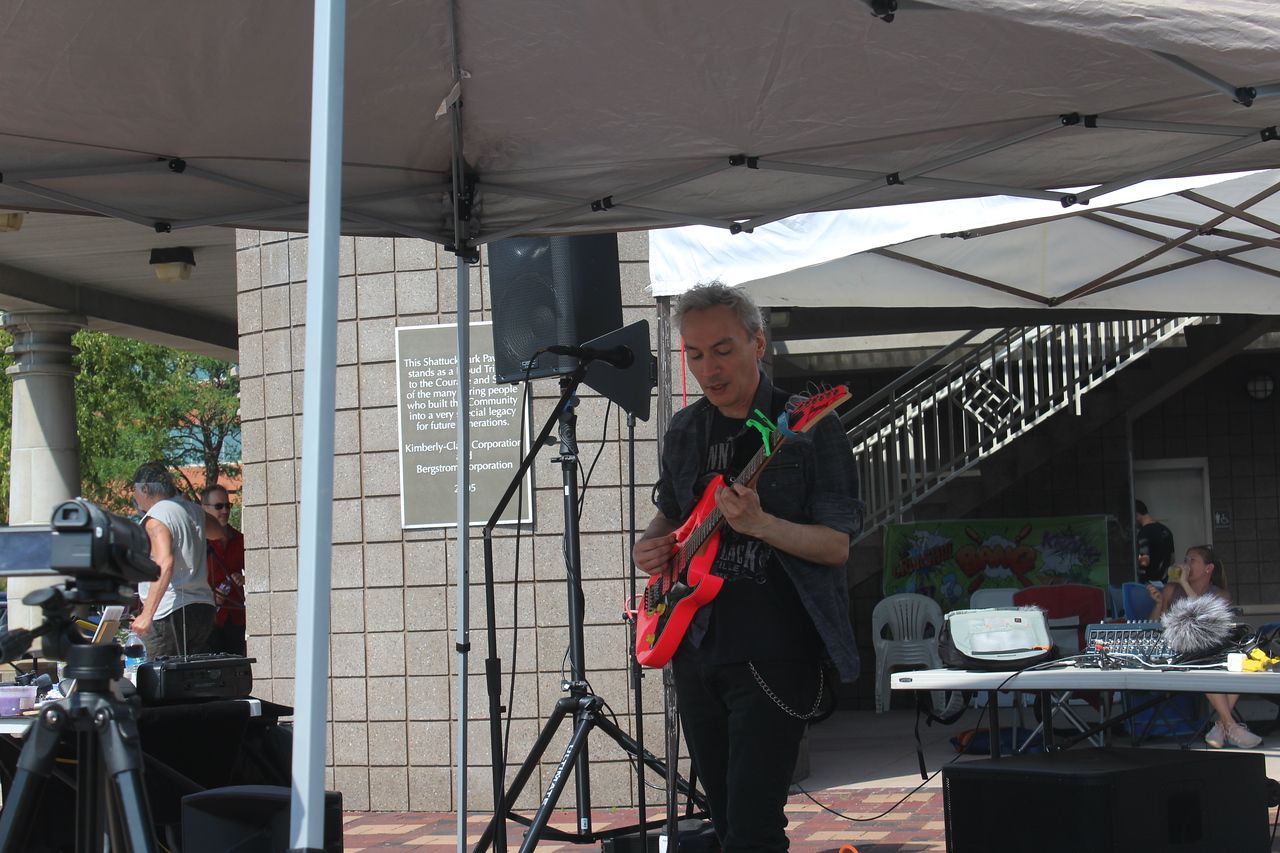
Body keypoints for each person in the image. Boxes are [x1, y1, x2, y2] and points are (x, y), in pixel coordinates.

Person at [633, 282, 861, 851]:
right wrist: (650, 547)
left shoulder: (809, 426)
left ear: (758, 344)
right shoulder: (686, 430)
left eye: (723, 350)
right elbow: (671, 516)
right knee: (727, 821)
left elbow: (837, 546)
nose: (708, 369)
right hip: (694, 645)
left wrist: (762, 525)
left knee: (755, 827)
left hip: (774, 648)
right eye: (694, 354)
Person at [1148, 545, 1260, 749]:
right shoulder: (1171, 590)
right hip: (1178, 651)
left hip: (1210, 650)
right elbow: (1153, 626)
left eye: (1192, 561)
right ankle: (1230, 727)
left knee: (1239, 660)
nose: (1186, 565)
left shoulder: (1221, 595)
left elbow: (1205, 618)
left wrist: (1185, 583)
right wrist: (1158, 604)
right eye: (1185, 560)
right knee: (1207, 662)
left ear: (1208, 568)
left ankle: (1221, 726)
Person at [131, 462, 225, 659]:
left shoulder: (156, 517)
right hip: (202, 608)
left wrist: (147, 614)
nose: (135, 498)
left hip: (170, 610)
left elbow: (164, 563)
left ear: (145, 488)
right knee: (193, 673)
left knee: (160, 674)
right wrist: (193, 511)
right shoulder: (193, 510)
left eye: (135, 490)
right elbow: (218, 532)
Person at [201, 484, 247, 656]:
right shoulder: (198, 541)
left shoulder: (240, 540)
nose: (225, 511)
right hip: (206, 618)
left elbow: (260, 573)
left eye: (228, 506)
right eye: (219, 506)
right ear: (204, 508)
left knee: (236, 665)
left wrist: (244, 579)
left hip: (235, 617)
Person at [1135, 499, 1174, 584]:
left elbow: (1144, 561)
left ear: (1137, 515)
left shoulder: (1144, 532)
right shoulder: (1166, 530)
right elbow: (1172, 559)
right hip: (1163, 582)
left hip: (1148, 584)